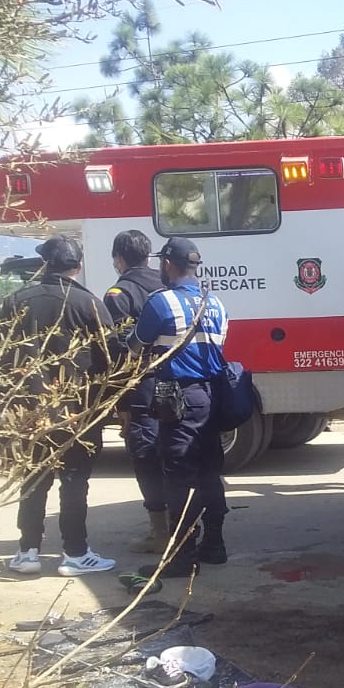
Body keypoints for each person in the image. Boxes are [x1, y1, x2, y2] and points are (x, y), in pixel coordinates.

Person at [3, 237, 117, 576]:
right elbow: (111, 360)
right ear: (77, 266)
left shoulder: (14, 302)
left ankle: (27, 551)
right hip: (76, 412)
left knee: (33, 478)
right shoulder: (89, 304)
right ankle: (75, 553)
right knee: (74, 482)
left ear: (44, 265)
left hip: (28, 412)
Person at [130, 236, 229, 578]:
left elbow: (136, 345)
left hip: (179, 399)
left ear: (167, 265)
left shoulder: (161, 302)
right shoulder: (215, 302)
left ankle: (182, 558)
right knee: (209, 471)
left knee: (179, 478)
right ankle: (215, 545)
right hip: (213, 396)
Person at [103, 229, 168, 554]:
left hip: (142, 388)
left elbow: (121, 352)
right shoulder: (167, 284)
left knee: (146, 458)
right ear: (148, 255)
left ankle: (161, 534)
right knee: (177, 455)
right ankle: (186, 526)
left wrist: (122, 402)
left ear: (119, 259)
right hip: (177, 384)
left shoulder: (119, 294)